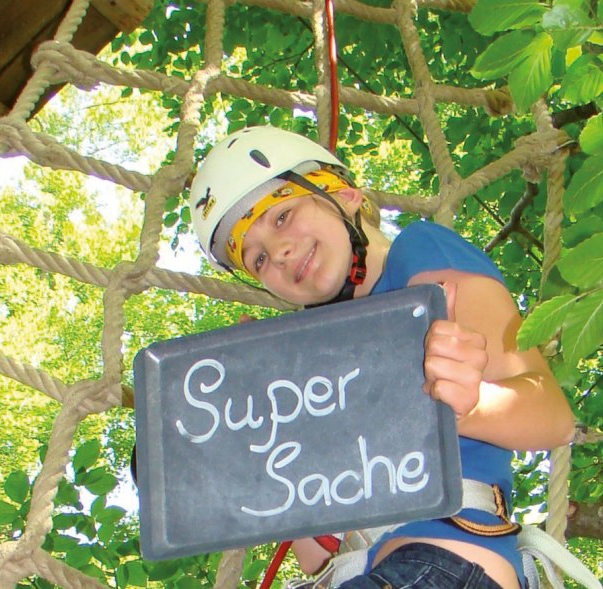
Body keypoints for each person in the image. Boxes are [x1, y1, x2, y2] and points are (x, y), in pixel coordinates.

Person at [187, 125, 576, 589]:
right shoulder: (309, 372)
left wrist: (472, 405)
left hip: (446, 559)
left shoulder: (418, 254)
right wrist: (257, 438)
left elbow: (552, 417)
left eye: (282, 216)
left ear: (344, 194)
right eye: (258, 260)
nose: (280, 253)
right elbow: (317, 554)